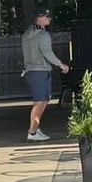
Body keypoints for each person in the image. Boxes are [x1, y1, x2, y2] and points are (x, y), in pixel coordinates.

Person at [20, 8, 70, 142]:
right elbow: (47, 53)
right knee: (39, 102)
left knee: (44, 100)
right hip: (40, 72)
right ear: (40, 18)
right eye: (47, 16)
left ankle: (35, 128)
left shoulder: (27, 34)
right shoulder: (43, 35)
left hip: (31, 71)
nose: (49, 19)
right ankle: (32, 131)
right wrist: (61, 65)